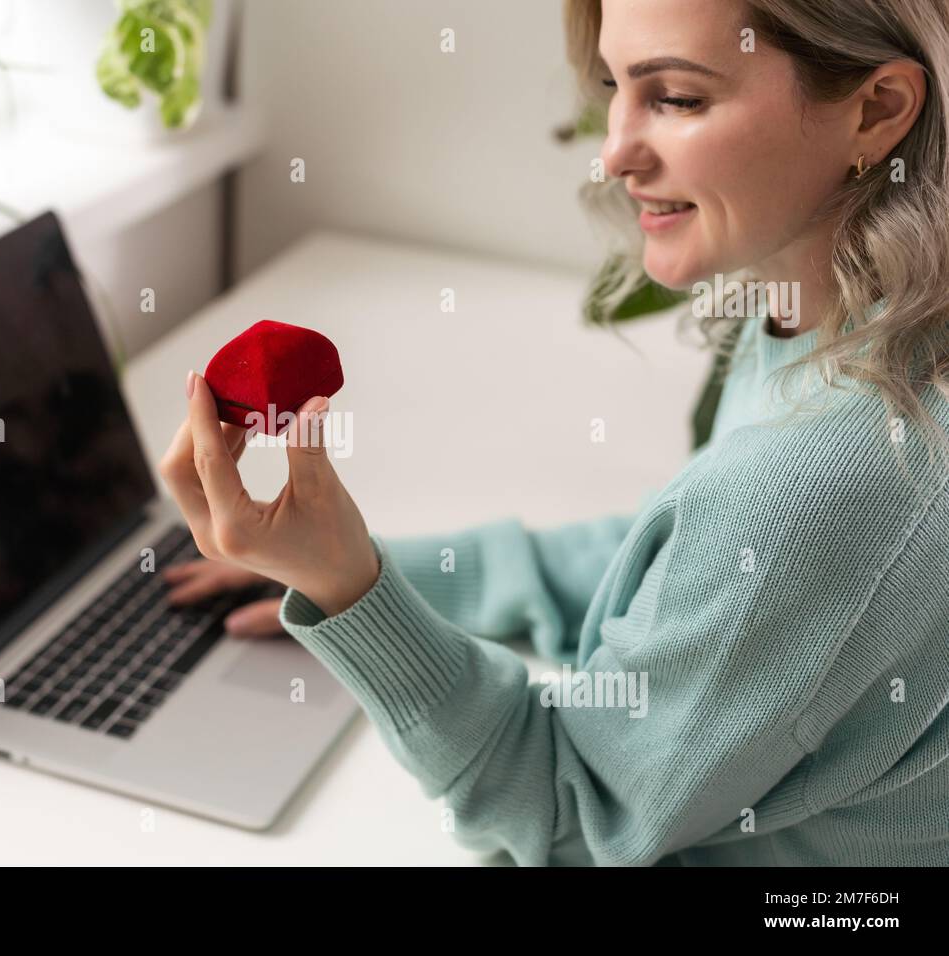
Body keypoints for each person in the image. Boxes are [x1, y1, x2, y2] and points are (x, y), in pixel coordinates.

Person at [158, 0, 949, 865]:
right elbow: (689, 565)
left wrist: (348, 589)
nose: (614, 153)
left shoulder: (827, 479)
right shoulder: (847, 327)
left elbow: (562, 808)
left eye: (678, 98)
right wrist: (390, 575)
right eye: (615, 86)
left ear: (877, 109)